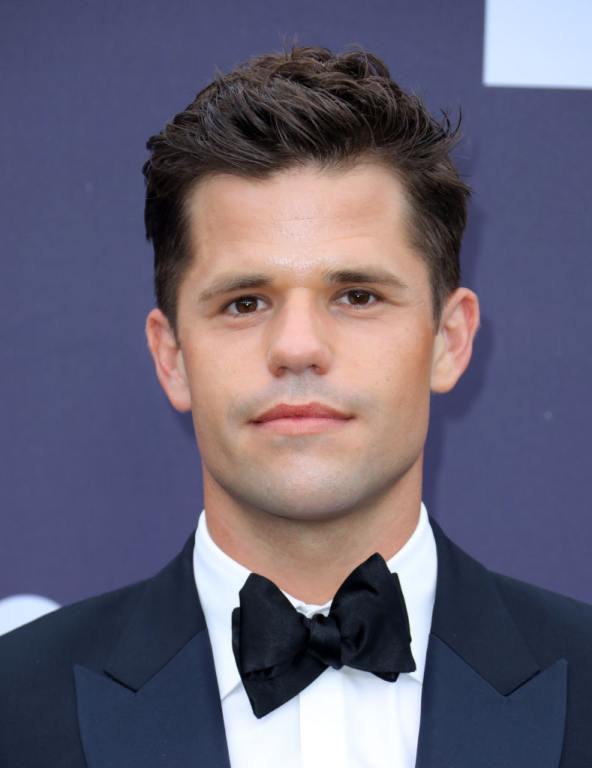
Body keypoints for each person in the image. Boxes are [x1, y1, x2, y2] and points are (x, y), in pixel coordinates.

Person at [1, 45, 590, 768]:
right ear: (172, 356)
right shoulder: (14, 704)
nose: (298, 346)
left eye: (357, 295)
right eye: (245, 302)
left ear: (449, 339)